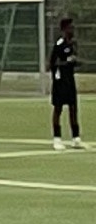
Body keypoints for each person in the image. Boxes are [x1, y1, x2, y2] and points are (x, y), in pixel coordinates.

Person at [51, 17, 83, 150]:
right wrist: (66, 63)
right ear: (64, 29)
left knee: (73, 108)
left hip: (70, 79)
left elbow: (73, 59)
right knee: (58, 108)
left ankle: (76, 138)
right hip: (60, 80)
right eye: (70, 27)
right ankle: (57, 138)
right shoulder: (60, 43)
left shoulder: (73, 43)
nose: (73, 29)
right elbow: (53, 62)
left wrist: (76, 62)